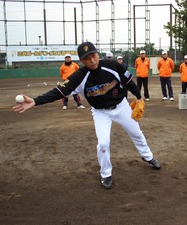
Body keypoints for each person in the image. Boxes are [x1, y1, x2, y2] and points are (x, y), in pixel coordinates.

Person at [13, 41, 161, 189]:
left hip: (121, 106)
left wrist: (138, 96)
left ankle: (147, 156)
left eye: (93, 56)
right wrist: (35, 101)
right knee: (103, 144)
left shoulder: (112, 65)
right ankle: (106, 174)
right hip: (100, 112)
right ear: (81, 61)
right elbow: (59, 92)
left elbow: (128, 81)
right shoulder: (78, 76)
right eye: (86, 58)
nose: (92, 61)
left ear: (98, 54)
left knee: (137, 132)